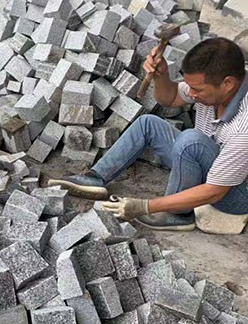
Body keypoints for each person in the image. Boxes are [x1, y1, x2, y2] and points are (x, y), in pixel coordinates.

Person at [49, 37, 248, 232]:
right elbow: (170, 97)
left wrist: (147, 206)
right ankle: (96, 177)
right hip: (213, 167)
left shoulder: (243, 128)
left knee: (191, 142)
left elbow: (215, 191)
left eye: (197, 90)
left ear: (227, 84)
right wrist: (161, 75)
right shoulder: (214, 84)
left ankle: (178, 215)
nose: (191, 94)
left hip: (235, 194)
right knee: (148, 124)